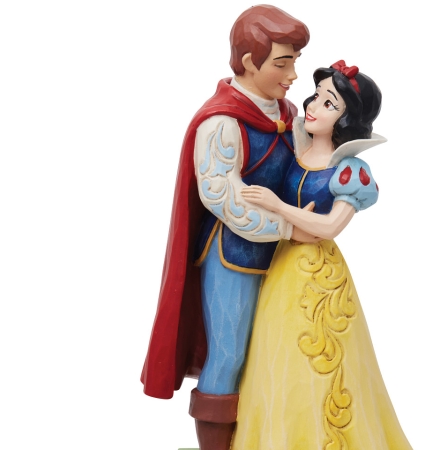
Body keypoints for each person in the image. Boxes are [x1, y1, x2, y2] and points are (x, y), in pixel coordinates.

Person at [140, 5, 310, 450]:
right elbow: (222, 197)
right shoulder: (222, 122)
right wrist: (290, 228)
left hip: (285, 254)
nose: (293, 75)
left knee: (275, 349)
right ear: (250, 61)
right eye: (282, 63)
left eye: (295, 61)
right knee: (230, 354)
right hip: (234, 256)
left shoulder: (289, 113)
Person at [236, 61, 413, 449]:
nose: (314, 106)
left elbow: (330, 226)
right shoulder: (297, 146)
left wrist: (278, 207)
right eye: (316, 96)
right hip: (283, 267)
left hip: (320, 276)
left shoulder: (349, 170)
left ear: (346, 119)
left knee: (323, 359)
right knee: (277, 354)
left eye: (329, 103)